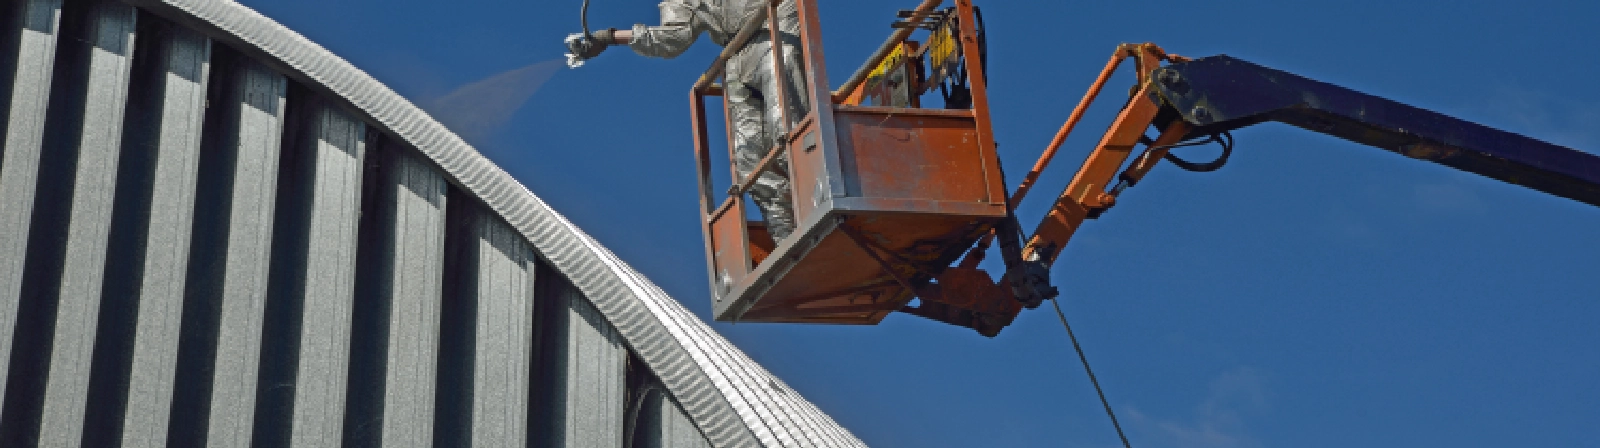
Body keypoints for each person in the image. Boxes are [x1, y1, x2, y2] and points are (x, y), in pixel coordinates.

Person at [567, 0, 809, 241]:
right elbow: (673, 37)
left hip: (775, 24)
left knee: (786, 124)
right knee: (749, 161)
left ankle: (815, 200)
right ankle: (789, 241)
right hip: (735, 50)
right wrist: (609, 38)